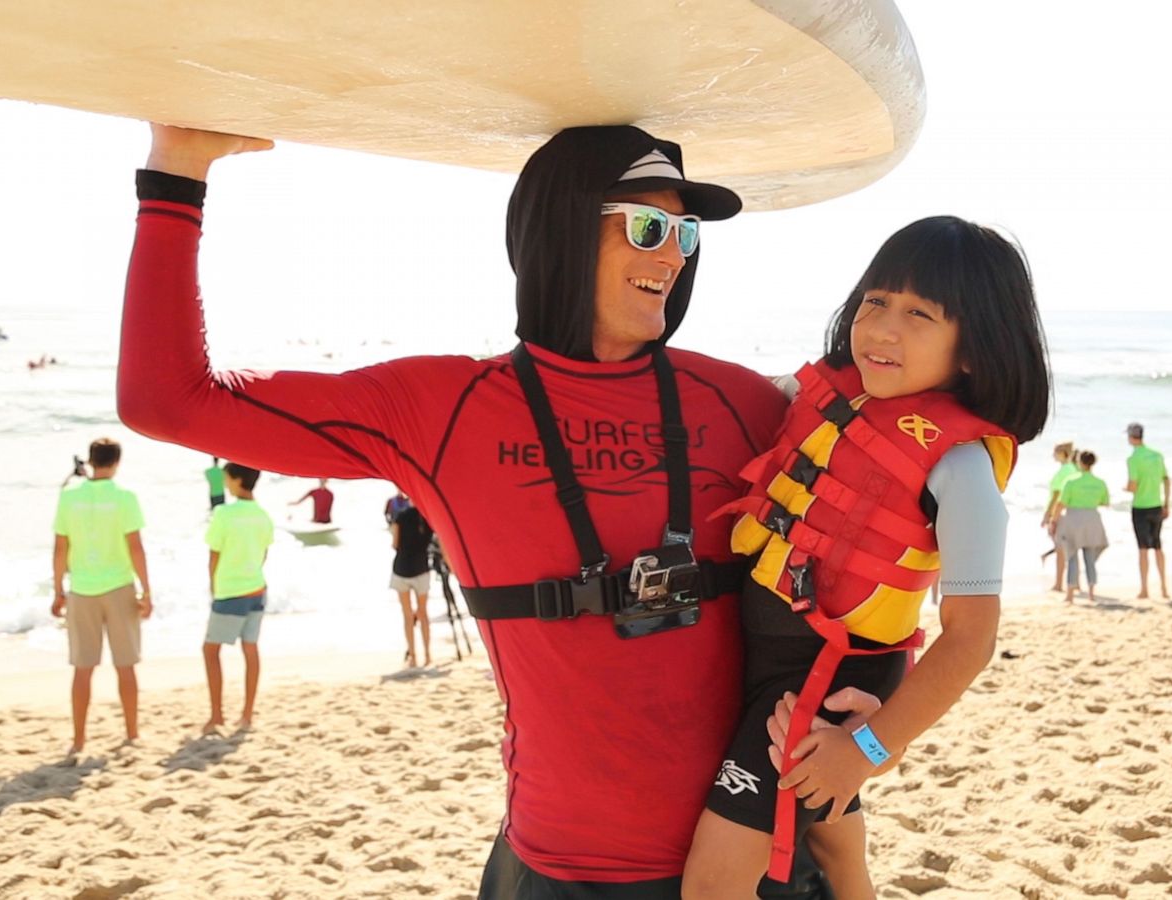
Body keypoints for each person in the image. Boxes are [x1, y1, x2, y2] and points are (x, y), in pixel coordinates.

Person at [117, 122, 875, 896]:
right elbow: (167, 400)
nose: (675, 253)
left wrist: (879, 723)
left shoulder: (742, 403)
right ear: (563, 231)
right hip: (558, 873)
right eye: (649, 227)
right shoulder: (441, 411)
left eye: (684, 232)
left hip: (756, 860)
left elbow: (899, 504)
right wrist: (178, 171)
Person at [682, 216, 1050, 897]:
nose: (882, 327)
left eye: (919, 314)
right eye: (875, 301)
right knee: (833, 839)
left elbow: (970, 641)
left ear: (974, 348)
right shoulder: (830, 400)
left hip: (824, 680)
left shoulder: (961, 467)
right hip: (774, 657)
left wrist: (868, 747)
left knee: (711, 883)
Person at [50, 437, 152, 753]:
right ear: (117, 462)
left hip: (81, 588)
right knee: (126, 666)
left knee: (83, 669)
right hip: (119, 587)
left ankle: (79, 739)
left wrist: (58, 591)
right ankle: (132, 734)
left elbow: (60, 548)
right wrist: (146, 590)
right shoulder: (125, 496)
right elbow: (135, 547)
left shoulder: (69, 496)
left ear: (91, 462)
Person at [202, 462, 275, 731]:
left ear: (236, 480)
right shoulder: (263, 515)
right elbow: (264, 554)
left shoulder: (224, 514)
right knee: (250, 648)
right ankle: (246, 714)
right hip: (257, 588)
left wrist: (213, 587)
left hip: (231, 591)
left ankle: (217, 715)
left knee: (210, 651)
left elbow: (214, 556)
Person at [1053, 450, 1110, 606]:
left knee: (1071, 556)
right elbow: (1105, 502)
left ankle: (1070, 595)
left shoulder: (1071, 481)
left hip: (1073, 518)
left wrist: (1054, 520)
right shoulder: (1100, 482)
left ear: (1079, 462)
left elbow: (1061, 503)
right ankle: (1092, 594)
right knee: (1090, 558)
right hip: (1093, 518)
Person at [387, 492, 436, 667]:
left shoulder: (401, 516)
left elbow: (395, 544)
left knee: (408, 616)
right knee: (423, 614)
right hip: (421, 570)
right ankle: (428, 655)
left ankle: (413, 656)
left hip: (401, 570)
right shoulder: (429, 518)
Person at [1124, 422, 1171, 599]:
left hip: (1141, 507)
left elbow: (1133, 486)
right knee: (1158, 546)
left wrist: (1126, 489)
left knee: (1143, 549)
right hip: (1157, 505)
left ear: (1130, 437)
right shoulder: (1157, 455)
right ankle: (1164, 588)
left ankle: (1144, 589)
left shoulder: (1133, 459)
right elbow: (1166, 480)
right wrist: (1167, 503)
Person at [1041, 440, 1078, 590]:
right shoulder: (1074, 469)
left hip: (1059, 513)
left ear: (1062, 454)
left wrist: (1047, 514)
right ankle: (1075, 583)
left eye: (1055, 452)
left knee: (1060, 549)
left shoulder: (1064, 471)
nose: (1053, 455)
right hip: (1071, 511)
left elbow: (1056, 494)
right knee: (1071, 549)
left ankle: (1058, 584)